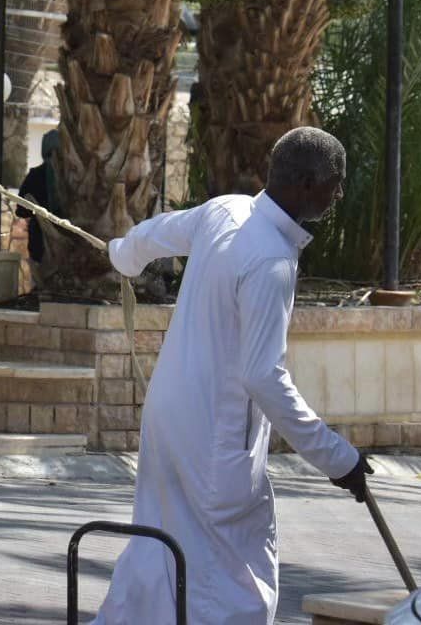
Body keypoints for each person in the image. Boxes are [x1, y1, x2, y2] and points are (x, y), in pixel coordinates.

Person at [92, 126, 373, 625]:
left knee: (158, 546)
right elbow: (264, 377)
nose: (339, 195)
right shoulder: (272, 262)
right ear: (308, 184)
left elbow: (155, 235)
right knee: (228, 571)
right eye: (336, 184)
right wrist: (337, 458)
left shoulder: (227, 209)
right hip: (215, 437)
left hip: (168, 415)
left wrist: (121, 254)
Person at [16, 130, 63, 264]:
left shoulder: (34, 176)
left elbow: (21, 211)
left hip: (39, 243)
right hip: (68, 242)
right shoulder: (71, 176)